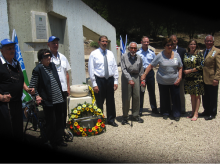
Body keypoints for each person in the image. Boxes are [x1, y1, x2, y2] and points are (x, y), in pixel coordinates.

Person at [29, 49, 67, 148]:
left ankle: (59, 139)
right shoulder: (38, 69)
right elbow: (32, 86)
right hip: (48, 100)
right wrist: (37, 96)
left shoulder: (52, 66)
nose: (49, 58)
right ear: (41, 59)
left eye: (49, 56)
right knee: (51, 122)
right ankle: (52, 141)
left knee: (60, 119)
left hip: (59, 98)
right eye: (46, 56)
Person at [0, 39, 34, 141]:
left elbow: (20, 79)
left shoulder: (16, 62)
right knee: (6, 128)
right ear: (1, 50)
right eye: (8, 48)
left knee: (18, 127)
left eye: (13, 48)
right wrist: (1, 97)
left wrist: (27, 89)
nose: (12, 50)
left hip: (17, 102)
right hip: (4, 104)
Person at [141, 38, 183, 121]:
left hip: (174, 80)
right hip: (162, 81)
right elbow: (151, 65)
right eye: (168, 45)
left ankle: (176, 113)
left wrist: (180, 78)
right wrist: (144, 74)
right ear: (164, 46)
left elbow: (180, 67)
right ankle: (165, 112)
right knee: (164, 97)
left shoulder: (176, 55)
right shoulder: (160, 55)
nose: (170, 46)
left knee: (176, 98)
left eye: (171, 45)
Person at [88, 35, 119, 127]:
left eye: (106, 41)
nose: (105, 43)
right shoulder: (94, 54)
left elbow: (114, 67)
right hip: (99, 80)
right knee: (99, 101)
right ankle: (99, 120)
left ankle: (111, 119)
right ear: (99, 42)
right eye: (103, 41)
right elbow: (91, 69)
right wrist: (94, 84)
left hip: (110, 80)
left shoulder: (110, 53)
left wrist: (116, 81)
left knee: (110, 101)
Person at [47, 36, 71, 136]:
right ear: (48, 45)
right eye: (53, 43)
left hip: (63, 89)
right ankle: (55, 132)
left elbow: (66, 73)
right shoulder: (46, 58)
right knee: (54, 112)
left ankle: (63, 129)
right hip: (53, 90)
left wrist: (68, 87)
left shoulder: (63, 57)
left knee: (63, 111)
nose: (55, 45)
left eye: (57, 43)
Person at [121, 42, 145, 125]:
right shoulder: (124, 56)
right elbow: (123, 69)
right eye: (132, 48)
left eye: (135, 48)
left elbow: (141, 70)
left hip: (136, 77)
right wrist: (129, 79)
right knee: (126, 97)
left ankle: (135, 115)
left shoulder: (139, 57)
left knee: (136, 96)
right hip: (126, 77)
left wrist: (143, 80)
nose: (133, 50)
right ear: (129, 48)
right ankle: (125, 116)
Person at [136, 36, 158, 115]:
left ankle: (154, 108)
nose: (146, 43)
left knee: (152, 91)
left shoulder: (151, 53)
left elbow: (154, 63)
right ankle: (140, 109)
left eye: (147, 42)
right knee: (141, 91)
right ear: (141, 42)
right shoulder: (137, 53)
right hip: (141, 73)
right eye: (144, 42)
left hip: (150, 73)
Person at [183, 40, 204, 121]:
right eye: (191, 44)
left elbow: (202, 65)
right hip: (188, 79)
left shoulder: (199, 54)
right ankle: (192, 111)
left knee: (197, 95)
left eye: (194, 44)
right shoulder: (186, 54)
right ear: (188, 45)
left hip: (197, 78)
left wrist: (191, 70)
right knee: (192, 95)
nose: (193, 46)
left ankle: (196, 113)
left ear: (196, 45)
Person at [200, 35, 220, 120]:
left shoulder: (217, 51)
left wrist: (217, 78)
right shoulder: (203, 51)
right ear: (204, 42)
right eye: (207, 41)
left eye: (210, 41)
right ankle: (206, 110)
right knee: (205, 96)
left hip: (212, 79)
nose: (208, 42)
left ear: (213, 42)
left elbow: (219, 67)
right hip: (203, 78)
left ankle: (212, 112)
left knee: (212, 97)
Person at [170, 35, 186, 114]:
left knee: (181, 92)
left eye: (174, 40)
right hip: (170, 75)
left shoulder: (182, 50)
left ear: (177, 41)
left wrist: (183, 74)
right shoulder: (167, 50)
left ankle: (182, 108)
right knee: (170, 92)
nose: (173, 42)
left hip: (180, 75)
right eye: (171, 41)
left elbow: (184, 63)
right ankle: (171, 107)